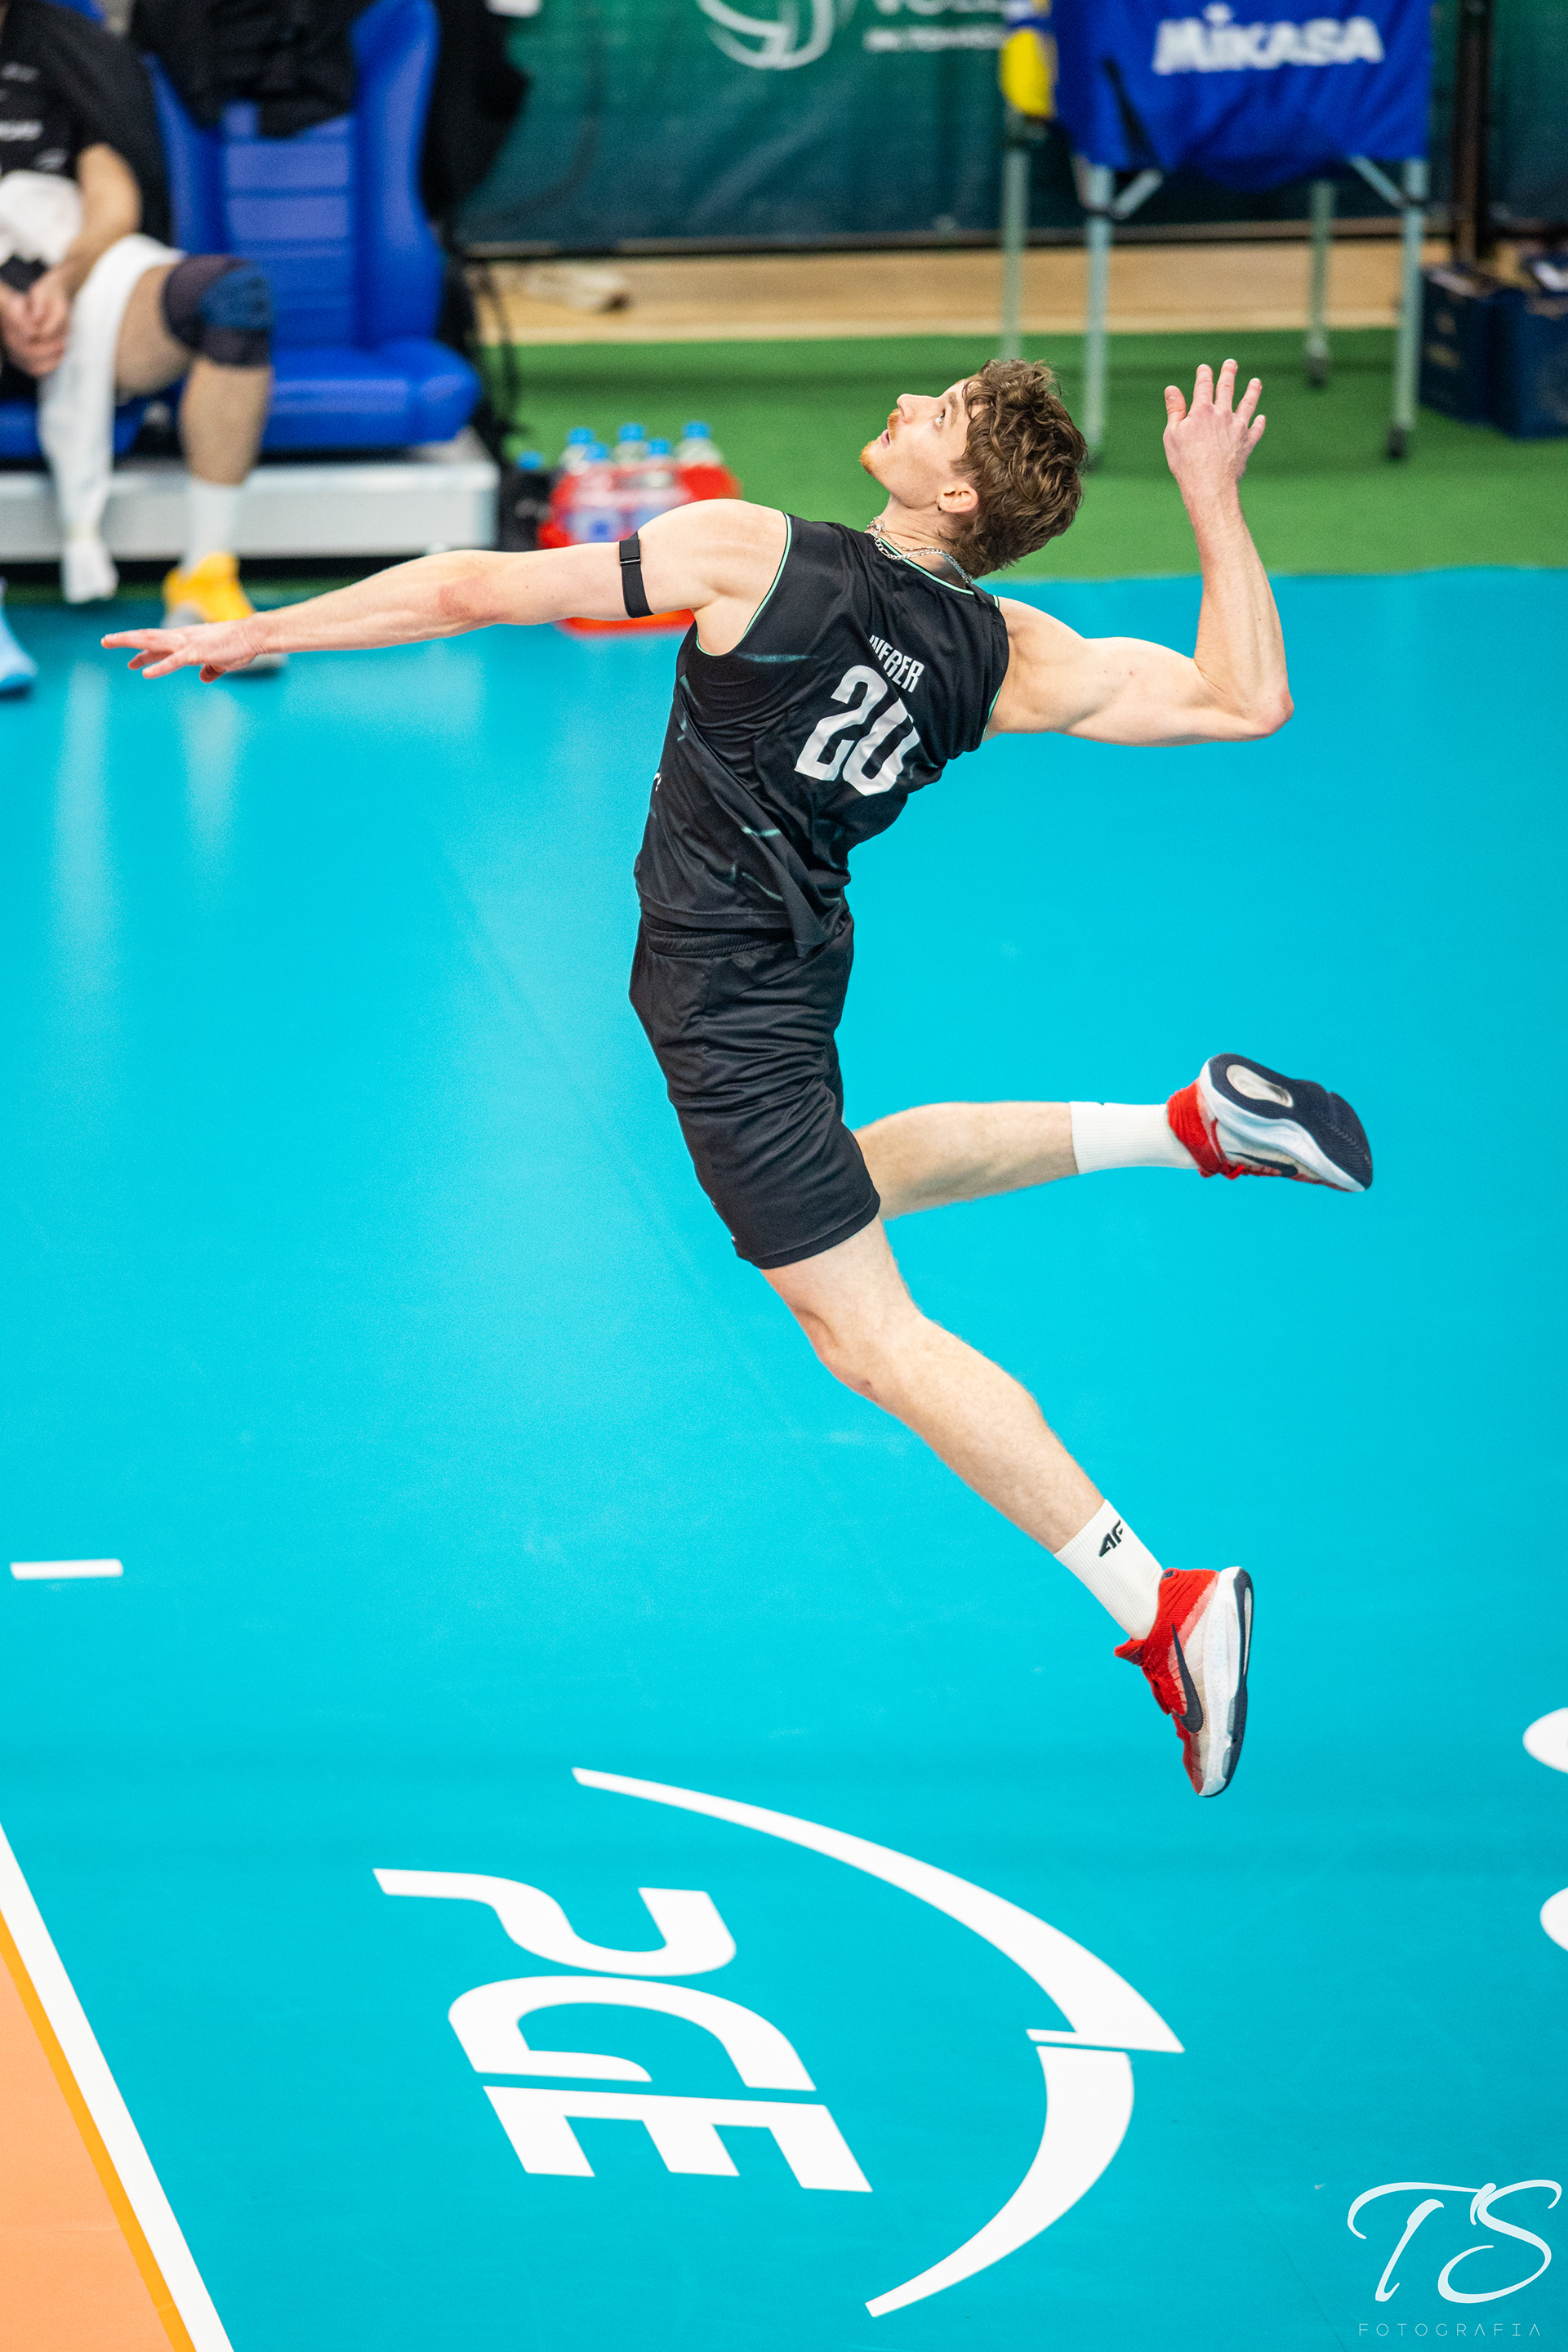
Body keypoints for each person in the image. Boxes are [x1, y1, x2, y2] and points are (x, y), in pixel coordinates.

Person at [105, 354, 1373, 1799]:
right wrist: (1211, 495)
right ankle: (1193, 1126)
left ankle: (1163, 1604)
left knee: (868, 1339)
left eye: (942, 414)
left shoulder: (753, 554)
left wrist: (267, 630)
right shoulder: (1005, 650)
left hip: (726, 1006)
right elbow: (1244, 697)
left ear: (958, 493)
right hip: (799, 961)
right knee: (850, 1187)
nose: (910, 402)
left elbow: (468, 590)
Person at [0, 0, 278, 664]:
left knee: (232, 296)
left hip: (67, 278)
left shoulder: (65, 46)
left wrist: (63, 280)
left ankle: (205, 577)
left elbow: (113, 199)